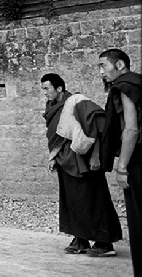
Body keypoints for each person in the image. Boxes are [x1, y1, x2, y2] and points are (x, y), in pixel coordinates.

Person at [39, 72, 121, 256]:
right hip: (66, 160)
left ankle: (104, 242)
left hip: (85, 159)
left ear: (59, 88)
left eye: (46, 88)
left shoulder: (78, 101)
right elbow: (57, 137)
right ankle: (81, 239)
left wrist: (96, 156)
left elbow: (98, 125)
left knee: (94, 199)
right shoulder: (52, 107)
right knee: (73, 201)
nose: (44, 93)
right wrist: (53, 157)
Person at [98, 48, 141, 267]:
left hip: (138, 161)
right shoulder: (139, 83)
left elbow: (131, 129)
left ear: (120, 65)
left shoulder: (125, 87)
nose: (101, 72)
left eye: (103, 65)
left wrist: (122, 166)